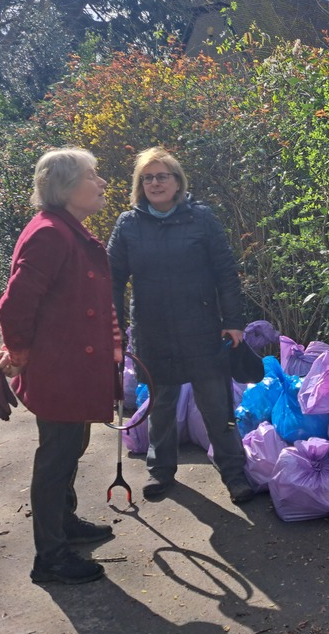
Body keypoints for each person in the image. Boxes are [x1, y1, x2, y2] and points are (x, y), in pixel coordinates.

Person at [0, 148, 119, 585]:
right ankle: (50, 558)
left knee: (70, 450)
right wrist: (19, 353)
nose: (102, 183)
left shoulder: (63, 228)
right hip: (60, 371)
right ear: (65, 187)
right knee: (56, 459)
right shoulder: (51, 233)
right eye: (92, 175)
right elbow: (13, 307)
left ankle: (63, 524)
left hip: (72, 368)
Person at [107, 147, 254, 505]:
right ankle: (160, 472)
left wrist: (233, 322)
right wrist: (114, 331)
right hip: (152, 332)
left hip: (202, 330)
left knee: (217, 408)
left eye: (162, 176)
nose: (155, 183)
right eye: (148, 177)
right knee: (160, 407)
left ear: (177, 181)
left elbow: (226, 273)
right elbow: (111, 280)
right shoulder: (128, 224)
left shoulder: (201, 219)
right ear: (140, 184)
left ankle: (234, 474)